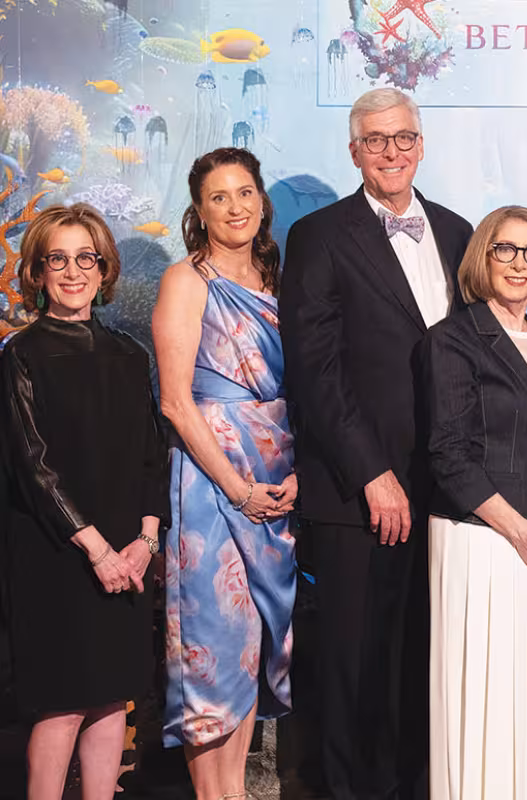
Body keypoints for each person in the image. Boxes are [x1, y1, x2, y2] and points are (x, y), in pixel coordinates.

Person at [279, 89, 527, 798]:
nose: (391, 152)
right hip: (363, 491)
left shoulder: (456, 228)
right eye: (375, 140)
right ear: (354, 151)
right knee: (356, 667)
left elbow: (485, 339)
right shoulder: (318, 235)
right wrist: (372, 472)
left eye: (403, 138)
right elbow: (316, 373)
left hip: (451, 494)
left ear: (421, 144)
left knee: (430, 665)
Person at [2, 203, 168, 799]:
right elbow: (33, 467)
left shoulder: (130, 355)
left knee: (109, 699)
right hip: (57, 555)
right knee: (61, 706)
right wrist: (98, 550)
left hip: (127, 555)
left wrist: (144, 545)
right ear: (38, 272)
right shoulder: (21, 355)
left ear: (104, 270)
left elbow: (154, 458)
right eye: (58, 260)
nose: (73, 272)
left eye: (85, 259)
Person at [423, 205, 527, 800]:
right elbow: (449, 453)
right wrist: (521, 532)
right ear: (482, 256)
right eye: (506, 249)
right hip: (484, 537)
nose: (520, 263)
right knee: (485, 695)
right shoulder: (453, 339)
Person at [153, 147, 297, 800]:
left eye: (244, 193)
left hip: (278, 482)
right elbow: (176, 403)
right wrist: (237, 489)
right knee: (215, 648)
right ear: (199, 210)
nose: (235, 207)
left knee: (254, 652)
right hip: (215, 489)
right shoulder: (188, 281)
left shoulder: (281, 282)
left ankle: (233, 792)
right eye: (218, 197)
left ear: (262, 201)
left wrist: (298, 477)